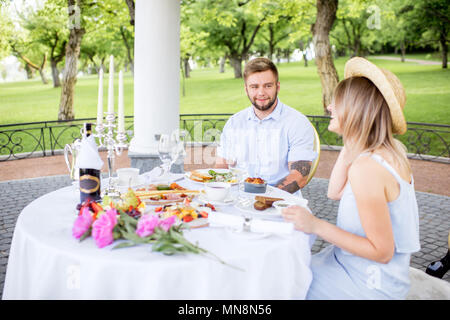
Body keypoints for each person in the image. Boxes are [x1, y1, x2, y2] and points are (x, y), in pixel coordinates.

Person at [282, 57, 421, 299]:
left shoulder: (367, 167)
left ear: (355, 108)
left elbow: (382, 251)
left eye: (336, 102)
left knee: (278, 284)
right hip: (356, 268)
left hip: (366, 284)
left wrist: (315, 225)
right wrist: (354, 136)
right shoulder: (387, 151)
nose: (329, 108)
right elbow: (334, 192)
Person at [215, 57, 317, 194]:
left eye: (268, 86)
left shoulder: (297, 123)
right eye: (254, 87)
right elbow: (221, 167)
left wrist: (263, 200)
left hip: (281, 204)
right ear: (246, 90)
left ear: (278, 87)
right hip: (238, 200)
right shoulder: (234, 123)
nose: (261, 93)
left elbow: (299, 177)